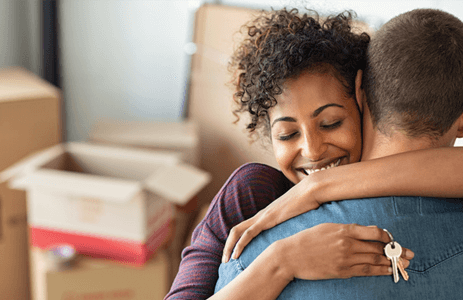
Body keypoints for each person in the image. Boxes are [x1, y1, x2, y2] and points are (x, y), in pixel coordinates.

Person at [165, 8, 463, 300]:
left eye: (331, 123)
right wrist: (281, 262)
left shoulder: (252, 255)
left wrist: (317, 187)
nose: (313, 150)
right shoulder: (251, 199)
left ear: (361, 97)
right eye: (288, 134)